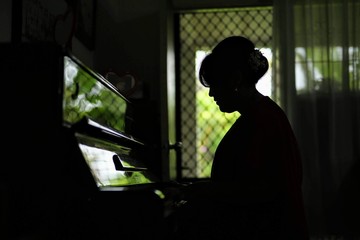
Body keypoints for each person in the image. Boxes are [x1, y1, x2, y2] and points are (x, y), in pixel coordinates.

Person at [174, 36, 309, 240]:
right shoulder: (264, 115)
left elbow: (260, 191)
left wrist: (209, 192)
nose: (211, 94)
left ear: (235, 79)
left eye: (215, 84)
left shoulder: (261, 120)